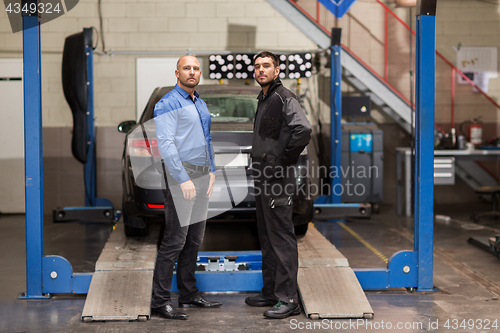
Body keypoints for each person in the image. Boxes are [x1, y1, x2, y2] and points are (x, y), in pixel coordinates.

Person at [151, 55, 221, 320]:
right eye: (186, 68)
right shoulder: (167, 104)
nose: (192, 72)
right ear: (177, 73)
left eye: (195, 68)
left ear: (199, 73)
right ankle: (159, 301)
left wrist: (212, 170)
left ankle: (189, 294)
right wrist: (183, 179)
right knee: (174, 241)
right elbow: (166, 145)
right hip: (184, 176)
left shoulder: (200, 104)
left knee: (194, 239)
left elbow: (207, 138)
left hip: (202, 175)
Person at [245, 51, 312, 319]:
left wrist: (283, 162)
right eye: (257, 66)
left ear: (277, 69)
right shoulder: (264, 98)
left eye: (266, 66)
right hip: (264, 178)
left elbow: (303, 130)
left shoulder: (284, 97)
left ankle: (288, 298)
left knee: (282, 239)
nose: (261, 70)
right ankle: (272, 291)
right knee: (267, 236)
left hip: (278, 180)